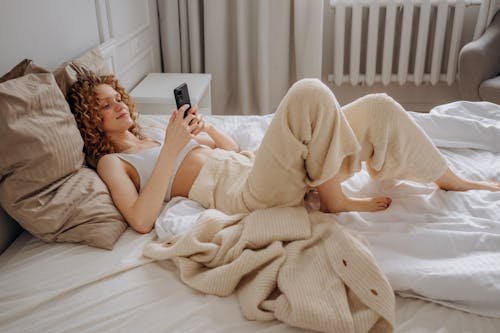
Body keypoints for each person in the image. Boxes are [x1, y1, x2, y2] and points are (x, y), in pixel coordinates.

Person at [68, 72, 500, 234]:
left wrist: (203, 126)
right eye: (103, 105)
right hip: (242, 194)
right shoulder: (113, 163)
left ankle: (450, 178)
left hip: (251, 166)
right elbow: (141, 220)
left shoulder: (157, 130)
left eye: (116, 97)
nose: (118, 105)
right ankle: (332, 199)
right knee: (309, 93)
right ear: (92, 120)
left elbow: (232, 148)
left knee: (379, 107)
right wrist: (172, 151)